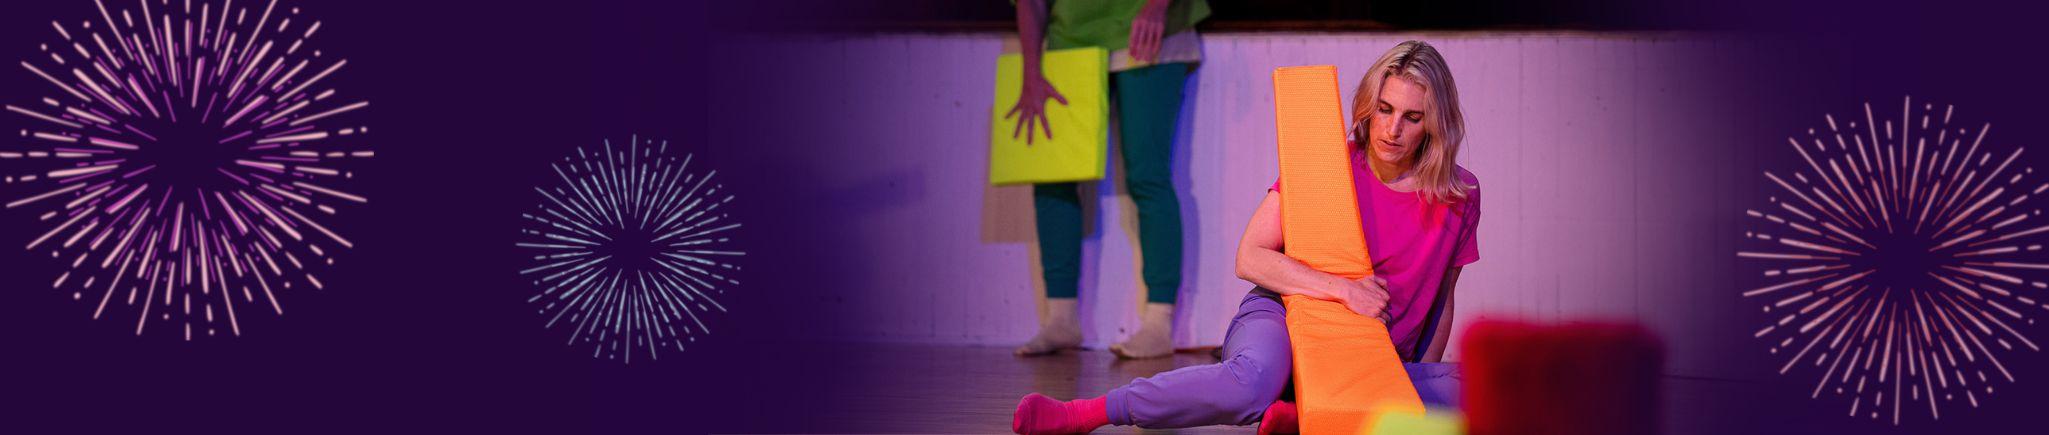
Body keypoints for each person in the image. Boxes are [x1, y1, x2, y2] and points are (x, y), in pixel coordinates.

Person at [1011, 40, 1481, 434]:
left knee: (1482, 390)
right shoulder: (1329, 163)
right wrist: (1343, 289)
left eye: (1412, 117)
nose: (1393, 129)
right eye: (1384, 109)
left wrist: (1411, 378)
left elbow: (1443, 296)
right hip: (1282, 311)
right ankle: (1087, 413)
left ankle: (1303, 416)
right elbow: (1249, 257)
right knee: (1251, 383)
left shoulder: (1460, 193)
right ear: (1368, 105)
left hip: (1363, 349)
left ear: (1434, 123)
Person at [1008, 0, 1212, 360]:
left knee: (1148, 175)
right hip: (1070, 38)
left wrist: (1157, 5)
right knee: (1054, 175)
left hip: (1149, 31)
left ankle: (1158, 321)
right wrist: (1031, 70)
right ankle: (1061, 318)